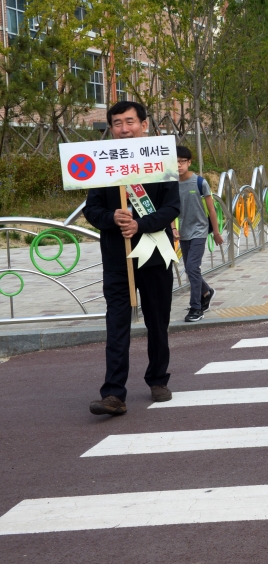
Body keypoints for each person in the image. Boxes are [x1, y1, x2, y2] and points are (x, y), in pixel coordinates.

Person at [84, 101, 180, 416]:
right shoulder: (102, 165)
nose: (124, 129)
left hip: (154, 254)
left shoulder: (161, 161)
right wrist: (114, 217)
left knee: (157, 321)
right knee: (117, 324)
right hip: (117, 259)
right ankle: (113, 393)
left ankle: (157, 378)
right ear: (110, 128)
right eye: (117, 123)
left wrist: (141, 223)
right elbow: (92, 210)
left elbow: (172, 207)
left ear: (144, 124)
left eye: (130, 122)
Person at [171, 146, 223, 322]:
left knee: (192, 268)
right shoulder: (172, 184)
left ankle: (196, 308)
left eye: (182, 161)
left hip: (200, 231)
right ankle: (207, 292)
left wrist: (216, 232)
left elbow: (211, 210)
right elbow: (170, 209)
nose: (178, 165)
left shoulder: (200, 183)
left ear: (189, 162)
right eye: (175, 162)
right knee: (191, 269)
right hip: (183, 232)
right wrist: (173, 228)